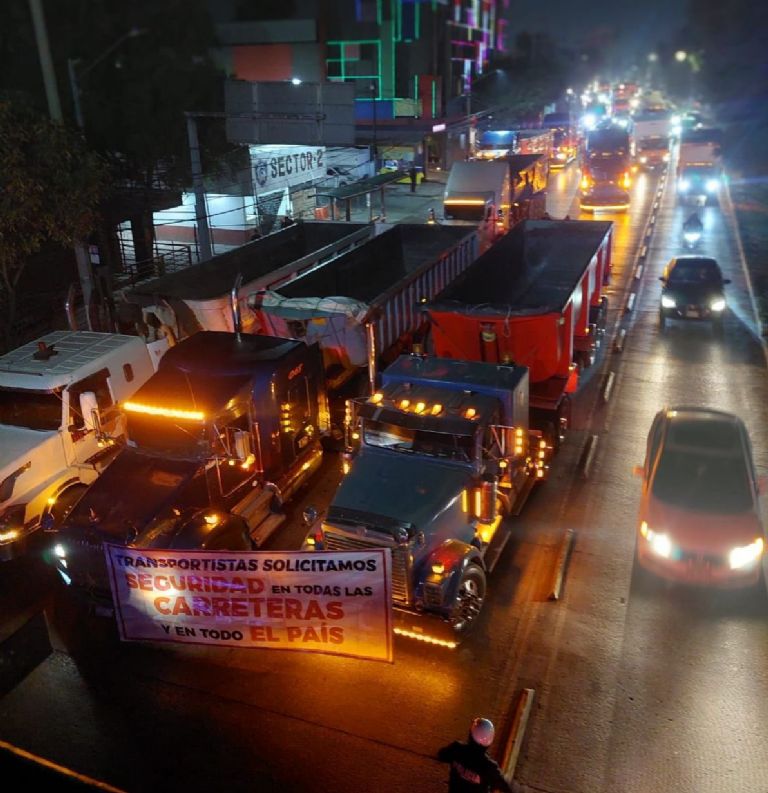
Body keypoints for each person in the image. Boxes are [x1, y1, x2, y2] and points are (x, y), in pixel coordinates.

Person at [438, 717, 514, 792]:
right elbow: (505, 787)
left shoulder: (456, 748)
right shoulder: (489, 767)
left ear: (470, 735)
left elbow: (441, 755)